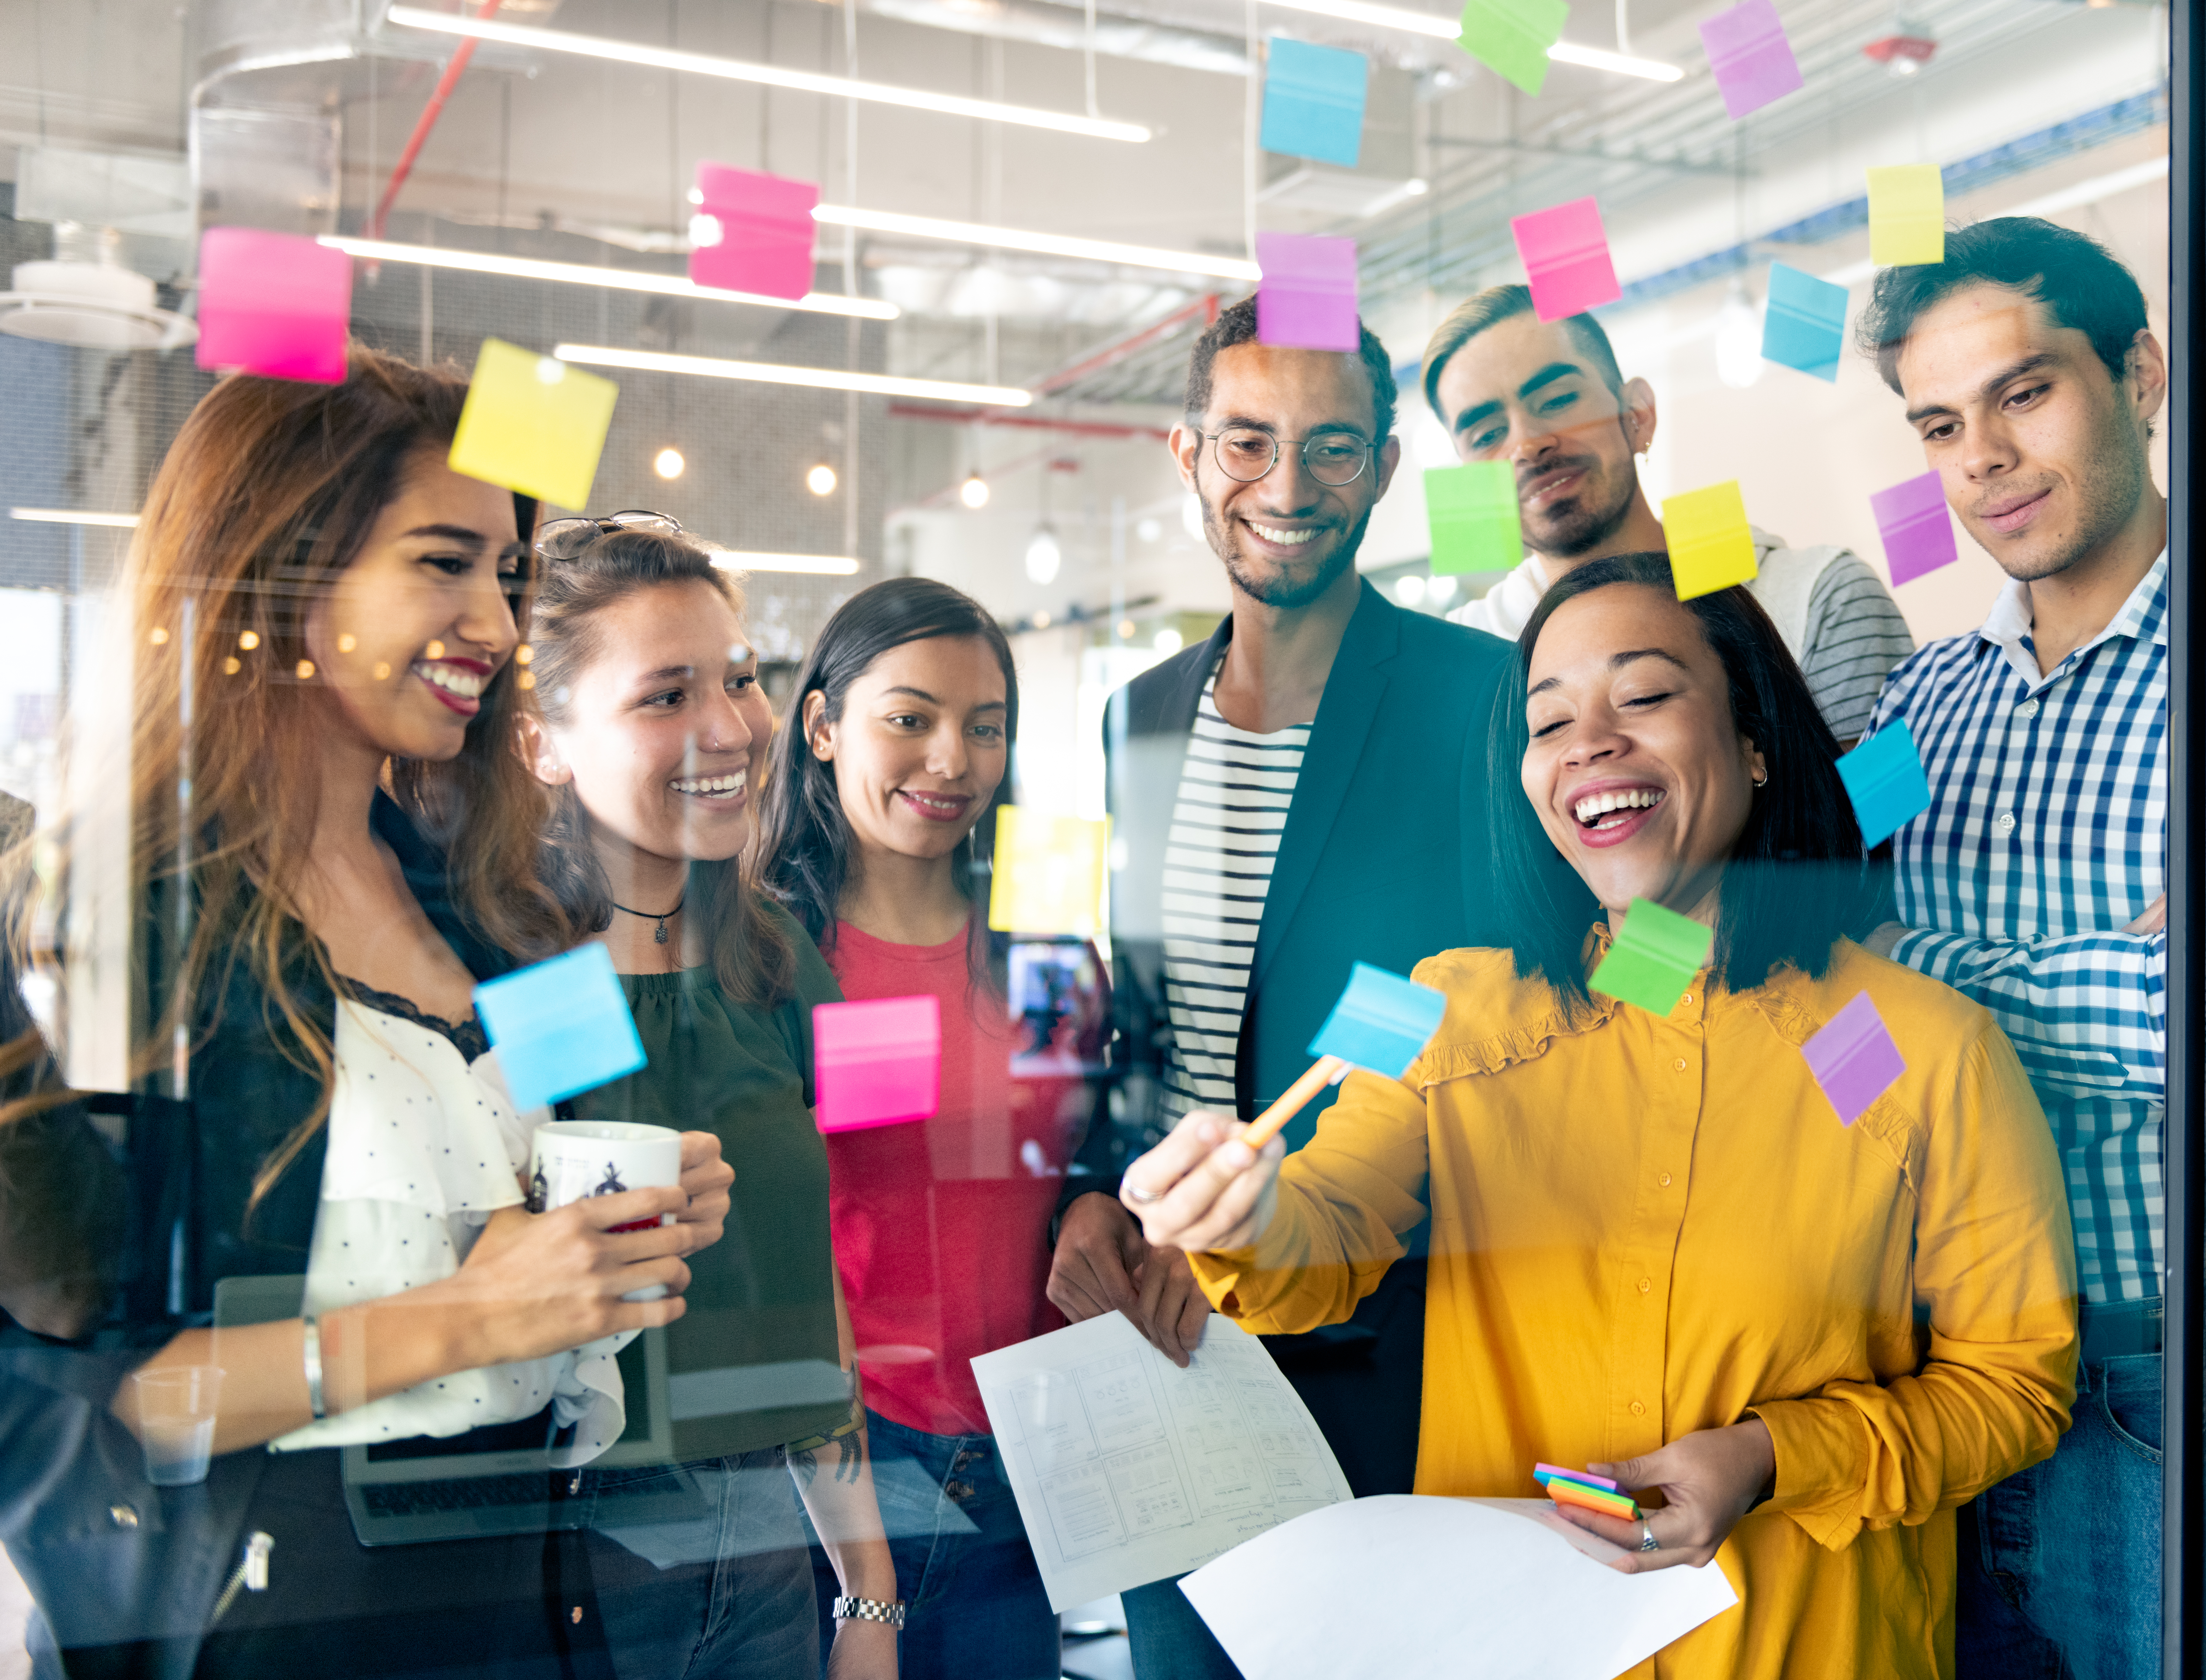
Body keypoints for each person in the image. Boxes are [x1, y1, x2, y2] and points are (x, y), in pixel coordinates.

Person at [1122, 552, 2079, 1678]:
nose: (1588, 740)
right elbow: (1324, 1231)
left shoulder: (1904, 1044)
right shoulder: (1441, 1000)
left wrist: (1772, 1454)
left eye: (1643, 694)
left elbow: (2013, 1382)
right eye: (1548, 719)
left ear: (1756, 741)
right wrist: (1247, 1208)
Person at [0, 348, 731, 1677]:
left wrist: (641, 1209)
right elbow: (93, 1405)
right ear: (276, 567)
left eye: (504, 575)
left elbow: (589, 1152)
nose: (499, 626)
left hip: (535, 1597)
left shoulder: (506, 901)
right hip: (275, 1625)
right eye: (440, 562)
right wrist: (467, 1314)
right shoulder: (110, 924)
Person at [1851, 217, 2206, 1680]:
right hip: (1912, 1369)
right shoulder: (1917, 711)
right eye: (1936, 422)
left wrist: (1916, 982)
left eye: (2022, 392)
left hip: (2165, 1367)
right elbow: (1809, 989)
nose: (1977, 453)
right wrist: (2093, 959)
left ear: (2140, 374)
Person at [1044, 293, 1581, 1677]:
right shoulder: (1137, 713)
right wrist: (1094, 1192)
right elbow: (1143, 1021)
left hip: (1399, 1332)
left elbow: (1544, 996)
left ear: (1387, 470)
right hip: (1175, 1346)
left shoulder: (1485, 694)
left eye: (1333, 449)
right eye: (1245, 442)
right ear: (1184, 452)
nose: (1286, 489)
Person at [515, 517, 901, 1679]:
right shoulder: (516, 974)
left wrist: (867, 1591)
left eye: (738, 678)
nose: (731, 727)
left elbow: (806, 1277)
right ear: (543, 740)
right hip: (575, 1554)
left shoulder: (772, 960)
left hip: (770, 1547)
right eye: (665, 694)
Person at [750, 576, 1105, 1680]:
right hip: (844, 1476)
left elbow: (1078, 1150)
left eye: (984, 726)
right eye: (910, 718)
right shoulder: (765, 957)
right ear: (821, 724)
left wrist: (1100, 1195)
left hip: (1024, 1467)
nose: (952, 759)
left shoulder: (1045, 946)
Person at [1423, 284, 1913, 746]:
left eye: (1557, 400)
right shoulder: (1462, 656)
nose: (1528, 445)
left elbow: (1886, 829)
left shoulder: (1818, 597)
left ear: (1637, 413)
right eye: (1486, 435)